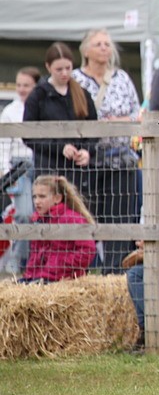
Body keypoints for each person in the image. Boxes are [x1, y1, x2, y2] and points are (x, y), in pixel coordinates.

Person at [73, 28, 142, 274]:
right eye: (98, 44)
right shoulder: (76, 80)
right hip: (86, 161)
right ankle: (87, 272)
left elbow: (137, 112)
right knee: (87, 218)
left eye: (107, 44)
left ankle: (115, 274)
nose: (104, 48)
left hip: (121, 161)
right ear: (86, 50)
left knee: (120, 220)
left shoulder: (121, 78)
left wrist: (120, 121)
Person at [23, 42, 97, 203]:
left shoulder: (83, 94)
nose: (64, 73)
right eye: (59, 69)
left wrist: (87, 151)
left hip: (79, 173)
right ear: (48, 67)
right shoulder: (38, 96)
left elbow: (94, 130)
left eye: (68, 68)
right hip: (48, 171)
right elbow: (28, 136)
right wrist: (59, 147)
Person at [0, 67, 41, 275]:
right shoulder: (10, 111)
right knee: (24, 213)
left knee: (41, 215)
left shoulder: (40, 107)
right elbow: (3, 142)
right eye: (19, 85)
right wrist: (6, 171)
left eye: (26, 85)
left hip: (41, 164)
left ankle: (37, 262)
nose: (22, 89)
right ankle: (19, 263)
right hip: (18, 167)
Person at [19, 174, 97, 283]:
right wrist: (29, 274)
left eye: (42, 196)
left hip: (60, 278)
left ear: (57, 198)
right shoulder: (38, 220)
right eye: (34, 196)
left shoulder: (72, 218)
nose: (37, 201)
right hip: (39, 276)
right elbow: (35, 254)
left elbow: (88, 250)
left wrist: (61, 265)